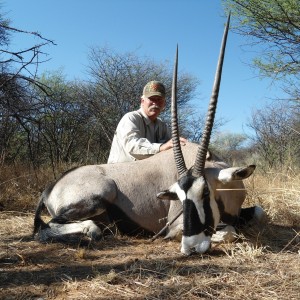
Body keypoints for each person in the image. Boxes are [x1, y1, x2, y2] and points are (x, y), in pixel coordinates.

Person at [107, 80, 187, 163]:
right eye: (151, 99)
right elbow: (132, 146)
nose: (155, 103)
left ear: (164, 104)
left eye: (159, 99)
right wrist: (161, 147)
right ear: (142, 101)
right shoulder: (130, 118)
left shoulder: (162, 126)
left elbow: (171, 145)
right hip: (118, 172)